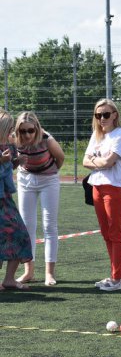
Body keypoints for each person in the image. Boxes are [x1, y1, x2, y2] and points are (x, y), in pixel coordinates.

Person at [83, 99, 121, 291]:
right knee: (106, 233)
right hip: (97, 187)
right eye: (98, 115)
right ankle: (113, 275)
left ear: (115, 115)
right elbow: (85, 161)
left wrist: (95, 159)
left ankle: (117, 278)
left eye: (106, 114)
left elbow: (109, 163)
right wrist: (97, 160)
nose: (102, 118)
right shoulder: (97, 135)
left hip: (114, 187)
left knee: (115, 233)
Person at [14, 111, 65, 286]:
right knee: (27, 226)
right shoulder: (14, 139)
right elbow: (11, 162)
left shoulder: (47, 139)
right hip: (25, 180)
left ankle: (49, 273)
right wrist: (17, 162)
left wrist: (49, 172)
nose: (27, 134)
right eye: (23, 131)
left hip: (48, 180)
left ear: (37, 129)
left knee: (49, 225)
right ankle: (29, 272)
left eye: (30, 130)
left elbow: (60, 158)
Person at [0, 109, 33, 291]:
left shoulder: (9, 145)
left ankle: (9, 279)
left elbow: (6, 170)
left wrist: (16, 162)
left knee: (19, 234)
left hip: (5, 199)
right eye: (8, 128)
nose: (11, 131)